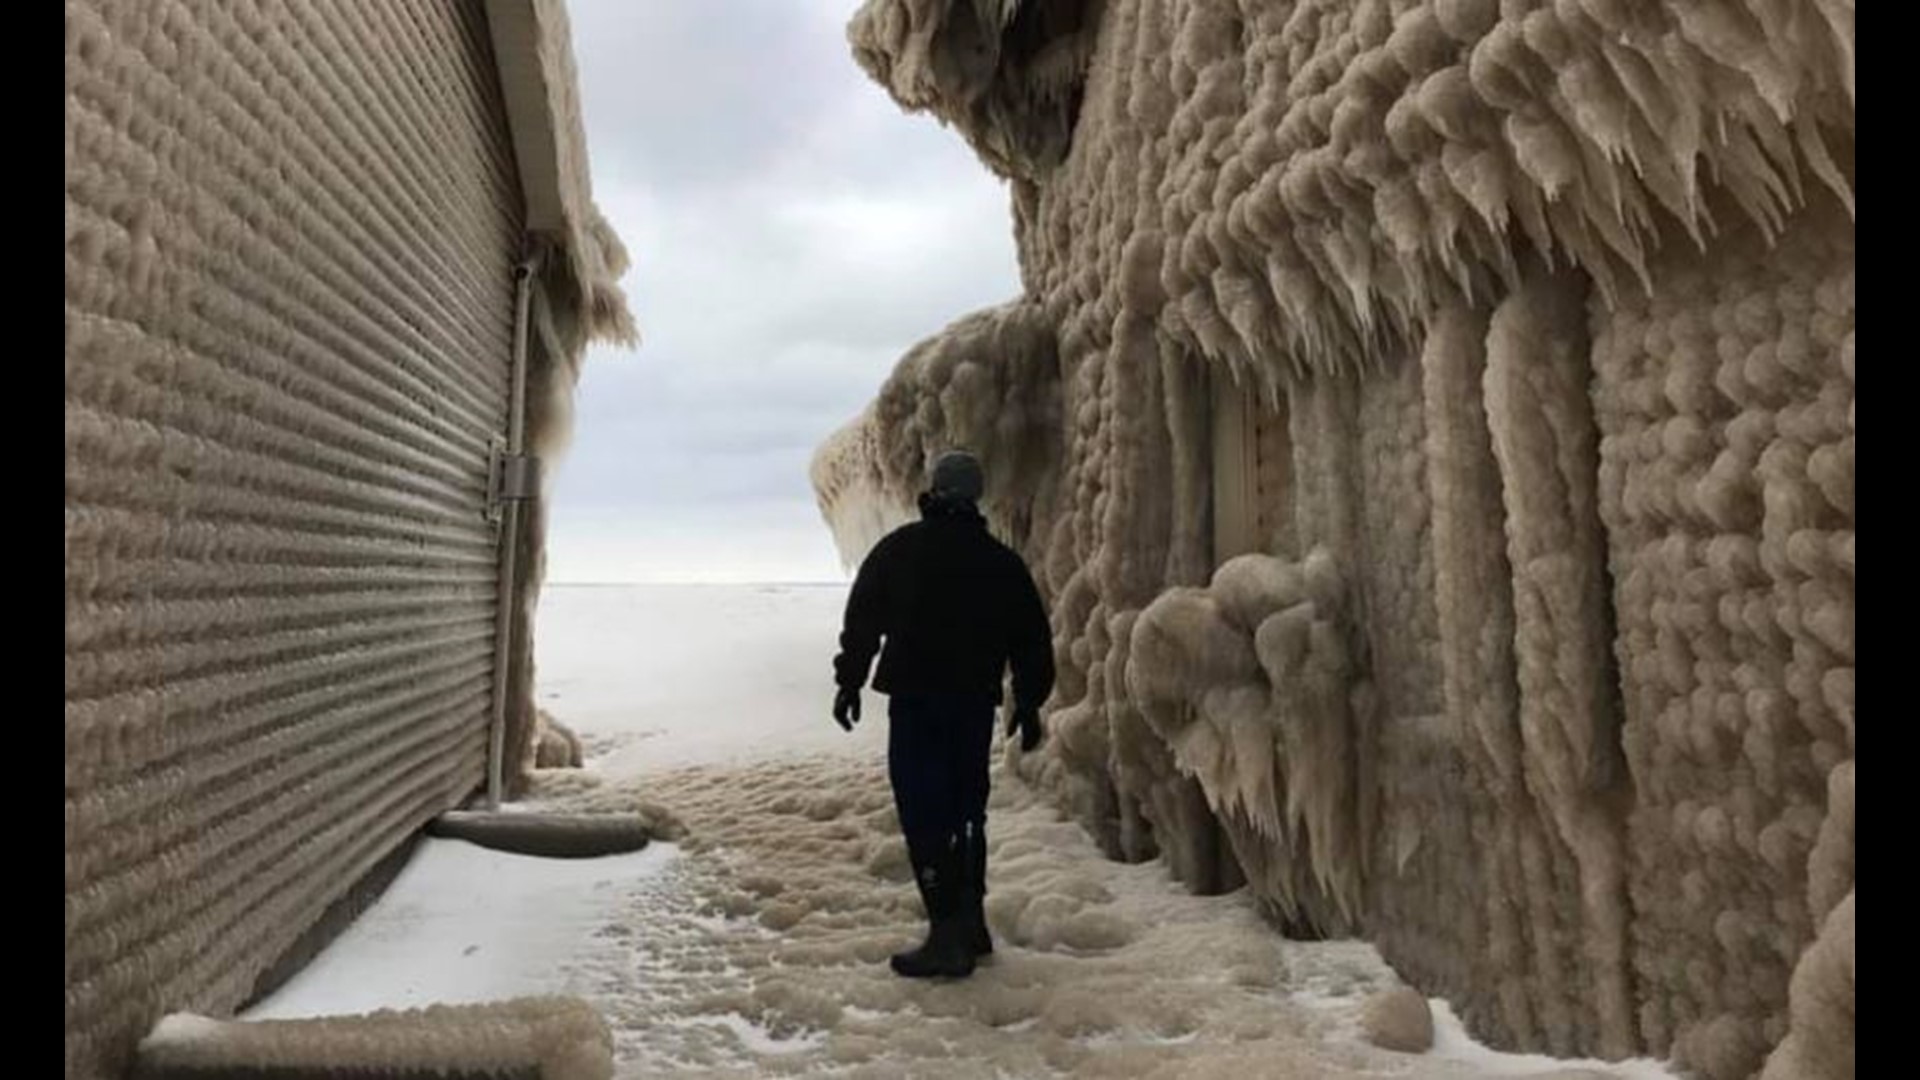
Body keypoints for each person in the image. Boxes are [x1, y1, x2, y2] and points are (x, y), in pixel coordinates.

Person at [830, 449, 1055, 978]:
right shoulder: (1001, 562)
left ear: (934, 490)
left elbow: (862, 619)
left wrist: (850, 682)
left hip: (917, 701)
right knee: (966, 808)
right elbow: (1031, 638)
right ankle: (970, 920)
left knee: (924, 810)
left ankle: (946, 932)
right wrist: (1029, 699)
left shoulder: (900, 551)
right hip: (973, 703)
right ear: (976, 496)